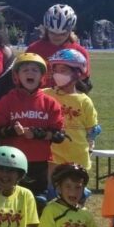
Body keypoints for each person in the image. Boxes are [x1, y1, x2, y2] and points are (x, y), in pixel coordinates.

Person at [0, 54, 65, 206]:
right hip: (11, 161)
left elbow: (59, 135)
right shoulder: (8, 100)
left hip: (39, 161)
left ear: (42, 76)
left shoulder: (49, 103)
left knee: (38, 201)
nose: (30, 73)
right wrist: (11, 131)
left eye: (35, 70)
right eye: (25, 70)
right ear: (17, 76)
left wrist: (38, 134)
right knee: (10, 199)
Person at [43, 49, 99, 178]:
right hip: (52, 158)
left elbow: (92, 130)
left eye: (63, 71)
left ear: (77, 73)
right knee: (52, 193)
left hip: (78, 157)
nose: (58, 74)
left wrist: (90, 145)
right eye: (55, 70)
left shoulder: (84, 101)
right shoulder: (45, 94)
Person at [26, 4, 91, 89]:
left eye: (62, 34)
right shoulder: (33, 50)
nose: (57, 37)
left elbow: (84, 83)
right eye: (52, 33)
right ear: (46, 30)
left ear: (70, 31)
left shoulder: (80, 52)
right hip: (41, 100)